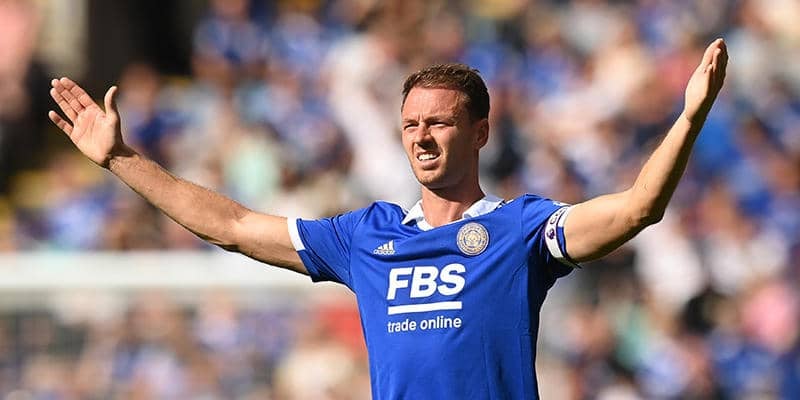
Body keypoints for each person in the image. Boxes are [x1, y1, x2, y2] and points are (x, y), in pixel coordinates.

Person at [48, 38, 728, 399]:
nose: (421, 138)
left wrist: (690, 116)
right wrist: (120, 159)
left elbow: (639, 206)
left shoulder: (522, 230)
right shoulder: (366, 237)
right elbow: (231, 226)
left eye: (439, 123)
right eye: (409, 125)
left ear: (480, 133)